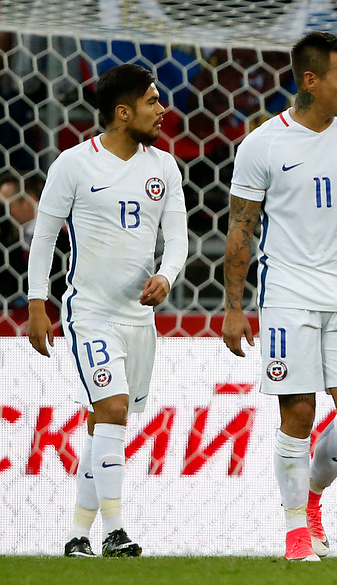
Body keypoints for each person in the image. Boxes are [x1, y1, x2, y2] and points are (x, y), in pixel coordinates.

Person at [222, 31, 337, 562]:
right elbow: (240, 228)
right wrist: (234, 307)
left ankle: (313, 496)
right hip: (286, 295)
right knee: (298, 413)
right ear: (311, 80)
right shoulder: (262, 144)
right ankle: (296, 530)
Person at [26, 63, 188, 558]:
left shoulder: (164, 167)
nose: (162, 110)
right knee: (113, 409)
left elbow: (178, 240)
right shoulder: (73, 165)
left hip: (140, 320)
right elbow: (45, 238)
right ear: (123, 112)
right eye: (152, 101)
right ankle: (116, 532)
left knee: (106, 425)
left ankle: (78, 535)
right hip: (90, 313)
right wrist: (38, 304)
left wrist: (167, 275)